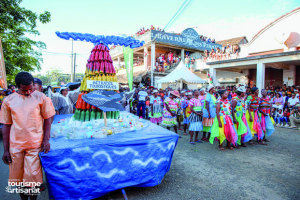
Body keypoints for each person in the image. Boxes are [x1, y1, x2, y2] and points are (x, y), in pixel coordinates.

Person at [1, 72, 55, 200]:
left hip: (35, 144)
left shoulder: (41, 97)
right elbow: (6, 125)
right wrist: (6, 150)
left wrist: (46, 140)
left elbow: (48, 119)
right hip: (16, 145)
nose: (29, 92)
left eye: (31, 88)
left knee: (33, 178)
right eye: (25, 90)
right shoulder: (8, 101)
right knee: (19, 179)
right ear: (17, 87)